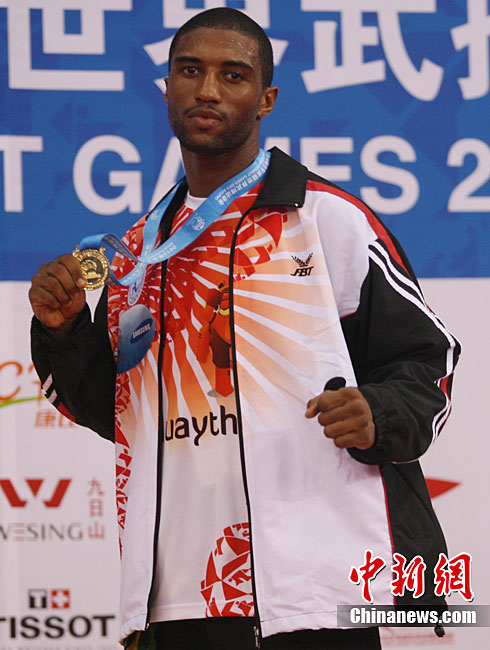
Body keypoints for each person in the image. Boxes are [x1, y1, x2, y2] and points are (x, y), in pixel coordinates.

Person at [29, 8, 460, 650]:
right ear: (167, 88)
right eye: (190, 71)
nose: (208, 89)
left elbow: (429, 358)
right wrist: (63, 332)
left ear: (266, 99)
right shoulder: (137, 253)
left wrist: (379, 410)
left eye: (233, 75)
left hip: (330, 586)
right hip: (181, 591)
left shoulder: (326, 218)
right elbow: (115, 412)